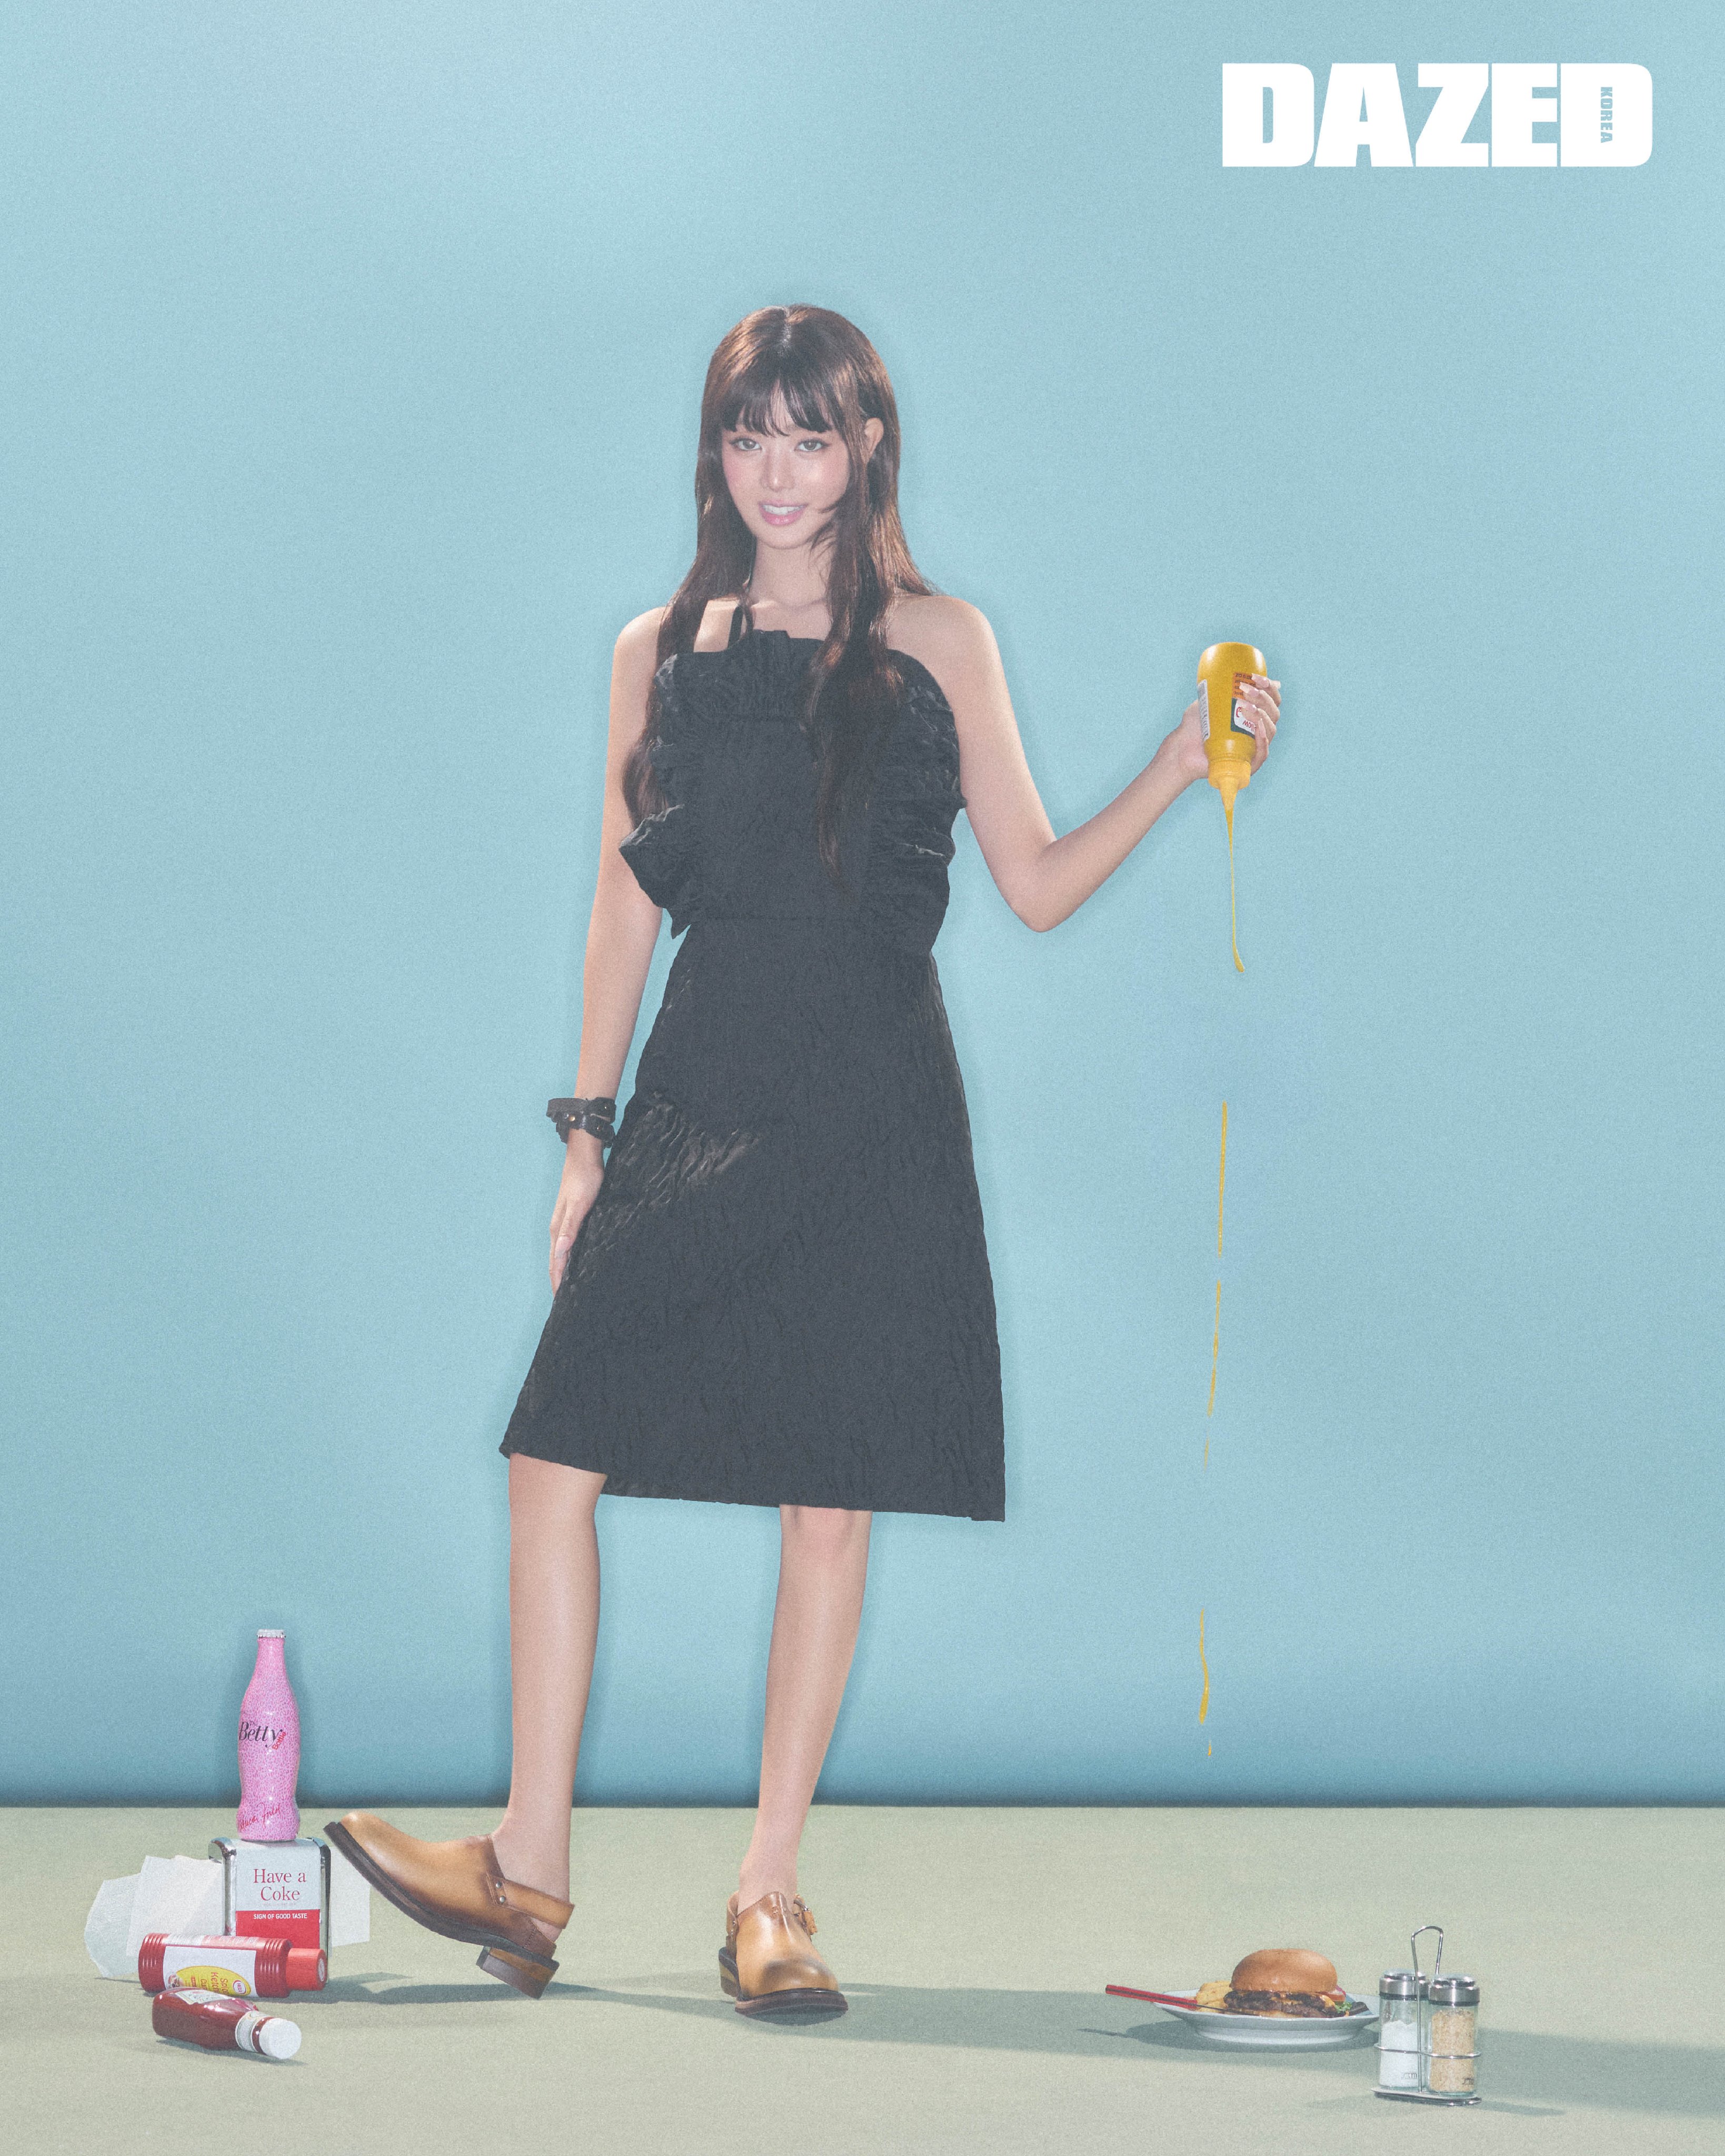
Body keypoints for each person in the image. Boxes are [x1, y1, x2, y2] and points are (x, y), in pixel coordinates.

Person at [327, 304, 1280, 2014]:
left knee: (827, 1497)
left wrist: (1178, 765)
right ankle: (527, 1869)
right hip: (703, 1079)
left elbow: (1035, 884)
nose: (778, 471)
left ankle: (769, 1892)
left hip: (873, 1093)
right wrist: (586, 1134)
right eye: (749, 435)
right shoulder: (661, 649)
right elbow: (626, 897)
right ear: (718, 452)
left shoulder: (941, 639)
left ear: (867, 450)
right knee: (553, 1456)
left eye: (811, 437)